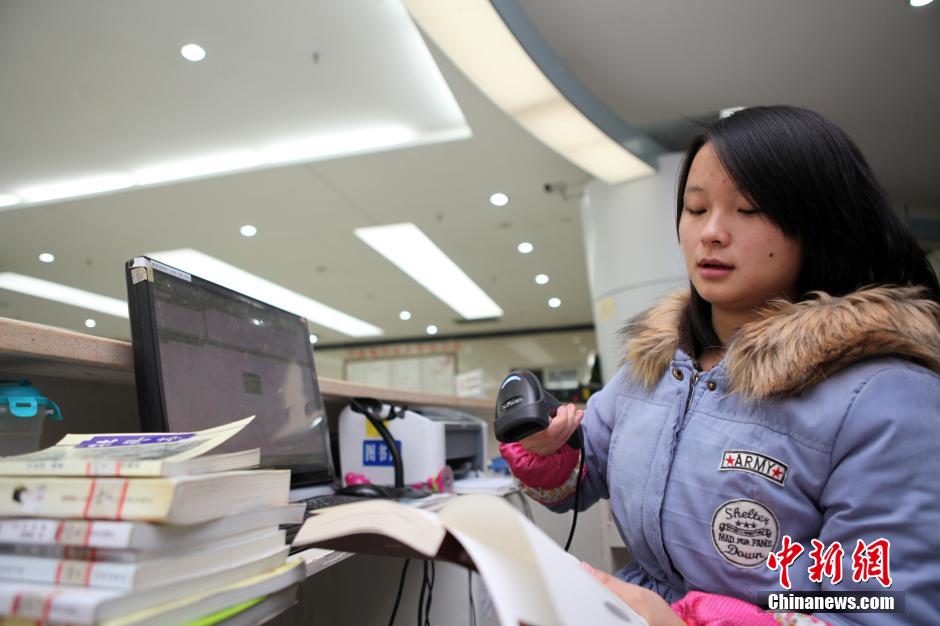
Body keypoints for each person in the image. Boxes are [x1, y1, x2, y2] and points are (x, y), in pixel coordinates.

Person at [500, 105, 940, 625]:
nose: (710, 232)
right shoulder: (655, 363)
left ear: (818, 224)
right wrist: (549, 449)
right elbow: (584, 472)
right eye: (695, 207)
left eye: (749, 209)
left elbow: (882, 609)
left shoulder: (884, 396)